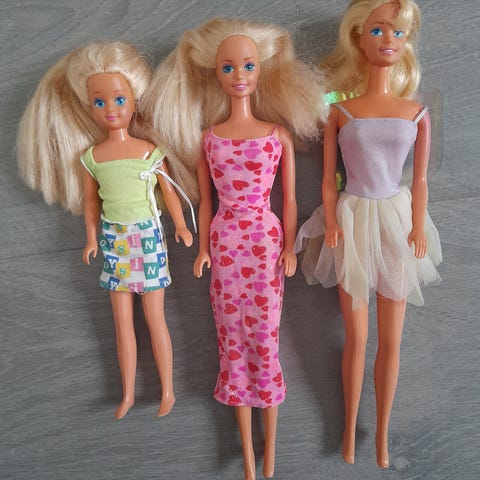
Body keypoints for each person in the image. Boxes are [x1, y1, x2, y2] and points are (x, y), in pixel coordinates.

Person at [141, 18, 328, 479]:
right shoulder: (210, 138)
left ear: (260, 70)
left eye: (247, 65)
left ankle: (270, 455)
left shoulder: (277, 135)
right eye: (228, 67)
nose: (238, 75)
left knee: (265, 340)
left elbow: (289, 200)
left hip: (265, 243)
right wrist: (204, 249)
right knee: (230, 342)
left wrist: (290, 249)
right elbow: (206, 201)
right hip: (225, 243)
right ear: (216, 73)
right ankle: (246, 454)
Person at [295, 0, 442, 468]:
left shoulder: (416, 112)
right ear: (358, 37)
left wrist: (417, 225)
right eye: (378, 30)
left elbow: (420, 180)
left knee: (392, 340)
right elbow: (327, 178)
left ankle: (381, 434)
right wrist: (332, 219)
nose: (389, 40)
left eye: (399, 32)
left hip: (397, 221)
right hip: (353, 218)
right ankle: (347, 428)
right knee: (355, 337)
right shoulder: (340, 110)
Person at [17, 41, 196, 419]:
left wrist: (180, 225)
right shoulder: (92, 158)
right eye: (99, 103)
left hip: (147, 237)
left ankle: (167, 390)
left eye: (118, 100)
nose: (110, 109)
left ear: (134, 101)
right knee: (121, 322)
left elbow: (168, 191)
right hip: (114, 240)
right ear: (89, 108)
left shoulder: (148, 152)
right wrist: (90, 239)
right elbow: (91, 203)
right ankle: (127, 393)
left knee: (155, 318)